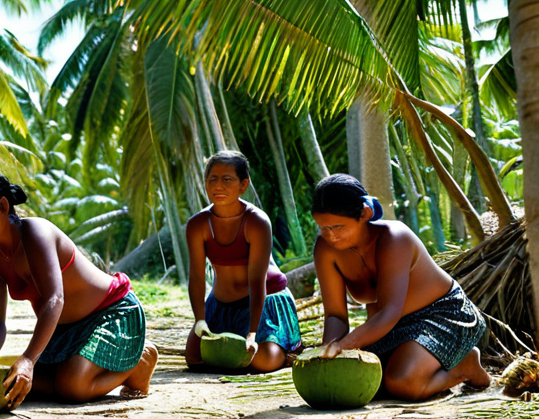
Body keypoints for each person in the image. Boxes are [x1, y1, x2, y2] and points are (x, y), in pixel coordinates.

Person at [0, 166, 158, 408]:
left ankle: (139, 360)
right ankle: (76, 370)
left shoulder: (36, 233)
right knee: (10, 382)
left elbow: (54, 299)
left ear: (3, 207)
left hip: (111, 312)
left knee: (73, 387)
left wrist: (28, 359)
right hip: (62, 331)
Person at [312, 173, 491, 401]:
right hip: (389, 327)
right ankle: (421, 365)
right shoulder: (325, 250)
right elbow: (336, 315)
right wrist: (327, 353)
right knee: (361, 385)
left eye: (338, 227)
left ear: (365, 214)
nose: (331, 236)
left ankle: (464, 367)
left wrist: (345, 345)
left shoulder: (394, 238)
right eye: (323, 228)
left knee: (402, 383)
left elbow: (389, 311)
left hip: (443, 316)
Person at [185, 151, 302, 372]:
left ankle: (283, 349)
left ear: (243, 184)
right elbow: (197, 278)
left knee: (261, 361)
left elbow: (257, 282)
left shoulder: (256, 221)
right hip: (220, 304)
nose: (218, 186)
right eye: (213, 179)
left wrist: (252, 333)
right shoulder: (197, 224)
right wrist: (200, 321)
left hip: (264, 301)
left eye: (227, 179)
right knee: (195, 359)